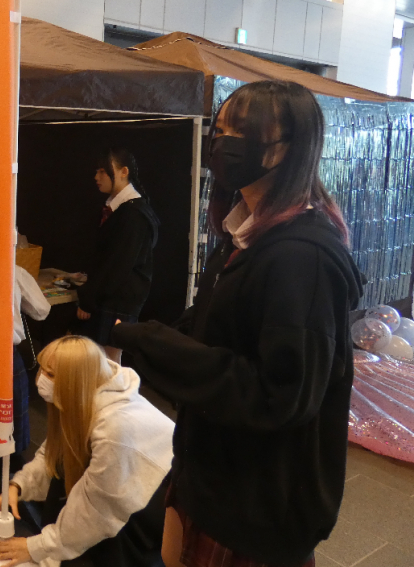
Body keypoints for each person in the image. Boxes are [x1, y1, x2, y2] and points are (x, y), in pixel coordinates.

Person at [89, 81, 363, 567]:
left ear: (287, 149)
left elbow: (281, 394)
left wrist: (154, 344)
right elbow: (209, 328)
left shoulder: (302, 258)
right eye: (220, 131)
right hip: (210, 471)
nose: (223, 144)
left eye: (243, 133)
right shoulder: (243, 235)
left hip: (256, 505)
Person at [0, 335, 173, 567]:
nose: (41, 379)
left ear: (74, 380)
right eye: (42, 369)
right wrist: (19, 485)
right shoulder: (87, 393)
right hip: (123, 476)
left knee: (109, 550)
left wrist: (35, 547)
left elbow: (95, 512)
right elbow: (55, 453)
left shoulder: (114, 430)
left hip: (154, 495)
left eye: (51, 374)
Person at [75, 149, 159, 352]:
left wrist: (88, 300)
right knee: (104, 360)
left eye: (103, 171)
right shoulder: (123, 209)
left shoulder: (133, 214)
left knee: (107, 361)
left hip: (117, 301)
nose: (97, 177)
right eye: (97, 171)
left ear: (124, 172)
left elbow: (116, 265)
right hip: (112, 298)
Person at [11, 264, 50, 468]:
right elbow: (41, 310)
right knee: (11, 415)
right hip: (4, 355)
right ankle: (13, 462)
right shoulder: (12, 269)